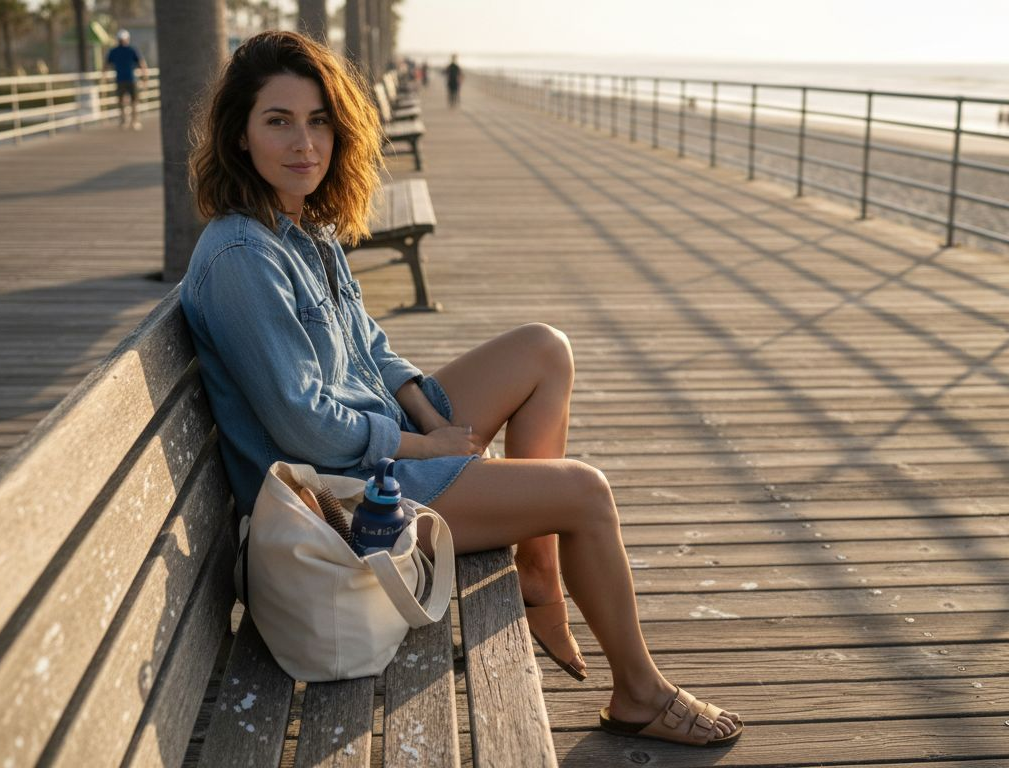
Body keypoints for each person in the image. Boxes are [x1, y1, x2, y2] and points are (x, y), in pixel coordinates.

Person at [180, 30, 742, 749]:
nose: (305, 143)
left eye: (319, 120)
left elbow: (370, 348)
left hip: (379, 443)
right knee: (585, 493)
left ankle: (539, 567)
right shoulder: (240, 257)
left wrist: (420, 407)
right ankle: (638, 692)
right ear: (240, 134)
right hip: (344, 500)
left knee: (543, 349)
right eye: (279, 121)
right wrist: (429, 443)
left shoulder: (299, 230)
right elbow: (304, 428)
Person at [105, 29, 148, 130]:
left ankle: (131, 121)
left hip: (128, 79)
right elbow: (142, 63)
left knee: (129, 101)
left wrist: (145, 75)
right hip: (124, 79)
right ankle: (128, 120)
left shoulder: (129, 50)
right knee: (126, 101)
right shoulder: (120, 50)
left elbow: (141, 63)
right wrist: (145, 76)